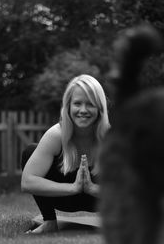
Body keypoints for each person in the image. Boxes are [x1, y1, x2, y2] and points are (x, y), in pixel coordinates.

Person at [21, 74, 110, 234]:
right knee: (30, 151)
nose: (83, 110)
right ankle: (49, 222)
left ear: (100, 108)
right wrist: (73, 188)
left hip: (98, 200)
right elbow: (27, 182)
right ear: (68, 106)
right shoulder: (56, 135)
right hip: (63, 198)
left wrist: (91, 188)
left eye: (90, 104)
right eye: (77, 103)